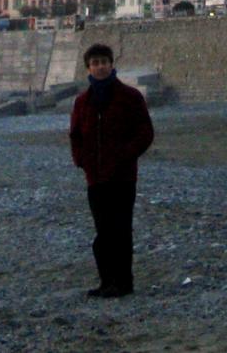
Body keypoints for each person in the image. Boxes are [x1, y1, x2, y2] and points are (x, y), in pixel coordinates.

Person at [69, 43, 154, 298]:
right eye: (95, 63)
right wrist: (81, 160)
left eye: (104, 62)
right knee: (102, 232)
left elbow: (145, 132)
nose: (100, 66)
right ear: (89, 68)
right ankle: (106, 281)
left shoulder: (129, 96)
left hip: (123, 176)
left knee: (121, 230)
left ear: (111, 64)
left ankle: (123, 283)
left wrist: (125, 155)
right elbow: (75, 135)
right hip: (95, 177)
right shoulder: (83, 101)